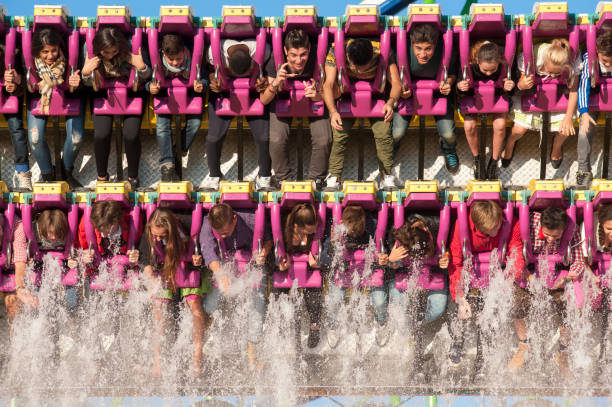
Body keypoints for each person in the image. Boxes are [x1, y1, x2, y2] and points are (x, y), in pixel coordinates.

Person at [507, 207, 585, 377]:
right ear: (541, 224)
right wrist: (525, 273)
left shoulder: (573, 231)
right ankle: (524, 345)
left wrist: (568, 278)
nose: (550, 240)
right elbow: (515, 250)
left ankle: (563, 352)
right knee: (517, 302)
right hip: (530, 274)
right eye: (547, 235)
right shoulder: (529, 223)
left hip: (558, 278)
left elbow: (579, 261)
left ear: (564, 229)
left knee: (568, 308)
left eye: (555, 237)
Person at [374, 213, 449, 378]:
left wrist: (445, 261)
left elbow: (453, 250)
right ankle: (409, 329)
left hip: (433, 271)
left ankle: (417, 323)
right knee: (398, 310)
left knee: (437, 308)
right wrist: (390, 261)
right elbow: (382, 270)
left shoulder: (437, 228)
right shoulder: (398, 236)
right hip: (403, 271)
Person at [199, 202, 272, 367]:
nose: (223, 236)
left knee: (258, 303)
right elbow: (208, 251)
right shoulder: (208, 223)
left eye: (226, 232)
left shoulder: (253, 219)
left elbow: (268, 240)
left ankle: (254, 345)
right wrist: (220, 273)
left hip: (251, 263)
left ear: (234, 220)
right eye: (220, 234)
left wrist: (264, 253)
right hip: (225, 263)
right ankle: (206, 331)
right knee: (210, 303)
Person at [322, 37, 400, 190]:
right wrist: (332, 112)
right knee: (339, 134)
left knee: (383, 134)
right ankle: (334, 177)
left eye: (363, 68)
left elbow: (396, 83)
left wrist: (391, 103)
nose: (358, 72)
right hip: (346, 96)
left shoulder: (382, 52)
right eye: (355, 67)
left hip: (377, 96)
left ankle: (387, 176)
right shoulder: (335, 51)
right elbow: (328, 85)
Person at [141, 208, 209, 378]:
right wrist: (150, 279)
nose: (156, 238)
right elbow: (145, 260)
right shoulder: (150, 232)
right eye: (155, 235)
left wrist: (198, 259)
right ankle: (157, 360)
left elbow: (204, 251)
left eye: (161, 236)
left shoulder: (185, 227)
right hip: (165, 271)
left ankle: (197, 356)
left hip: (187, 269)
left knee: (195, 307)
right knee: (158, 309)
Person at [81, 26, 152, 190]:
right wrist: (86, 73)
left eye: (115, 51)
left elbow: (148, 77)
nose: (111, 55)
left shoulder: (132, 48)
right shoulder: (89, 51)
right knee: (101, 134)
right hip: (103, 94)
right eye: (106, 52)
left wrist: (141, 67)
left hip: (132, 93)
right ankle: (102, 177)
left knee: (131, 134)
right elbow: (85, 83)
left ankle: (133, 177)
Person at [261, 28, 332, 188]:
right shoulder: (274, 62)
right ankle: (283, 179)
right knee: (277, 139)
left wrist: (317, 95)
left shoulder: (318, 59)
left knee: (323, 139)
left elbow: (332, 93)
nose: (298, 61)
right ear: (285, 51)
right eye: (293, 55)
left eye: (303, 55)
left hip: (313, 99)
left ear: (309, 51)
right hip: (283, 99)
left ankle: (316, 180)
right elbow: (264, 100)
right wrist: (275, 83)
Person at [502, 38, 581, 172]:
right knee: (519, 130)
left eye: (556, 73)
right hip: (532, 92)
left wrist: (568, 117)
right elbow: (519, 83)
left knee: (565, 130)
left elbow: (574, 91)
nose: (551, 75)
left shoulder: (572, 63)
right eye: (549, 71)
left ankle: (556, 145)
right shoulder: (533, 57)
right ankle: (510, 143)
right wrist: (522, 85)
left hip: (559, 94)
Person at [203, 35, 271, 190]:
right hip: (224, 90)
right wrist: (212, 79)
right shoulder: (213, 53)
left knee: (263, 137)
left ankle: (265, 176)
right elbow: (205, 70)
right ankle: (214, 176)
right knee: (213, 138)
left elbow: (269, 71)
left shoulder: (263, 50)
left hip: (252, 90)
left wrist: (264, 80)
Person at [447, 200, 506, 380]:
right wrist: (459, 295)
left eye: (498, 224)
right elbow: (456, 263)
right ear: (481, 229)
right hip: (469, 270)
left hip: (494, 272)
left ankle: (481, 361)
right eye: (494, 228)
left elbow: (515, 250)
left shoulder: (505, 223)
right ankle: (457, 343)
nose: (499, 228)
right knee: (460, 309)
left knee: (488, 315)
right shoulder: (462, 229)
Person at [393, 23, 460, 174]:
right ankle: (391, 149)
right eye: (419, 49)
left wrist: (448, 83)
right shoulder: (401, 51)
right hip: (408, 94)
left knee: (448, 134)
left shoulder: (447, 51)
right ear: (412, 44)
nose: (423, 54)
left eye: (428, 49)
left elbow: (453, 73)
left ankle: (449, 150)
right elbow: (393, 74)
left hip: (438, 94)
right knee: (396, 133)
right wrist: (401, 88)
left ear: (435, 45)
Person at [27, 28, 85, 188]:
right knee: (35, 138)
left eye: (54, 50)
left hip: (70, 98)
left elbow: (85, 85)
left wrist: (76, 84)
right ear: (38, 51)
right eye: (45, 52)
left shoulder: (71, 60)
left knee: (76, 138)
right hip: (40, 99)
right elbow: (25, 88)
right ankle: (47, 175)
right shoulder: (30, 64)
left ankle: (65, 173)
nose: (50, 56)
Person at [147, 34, 206, 182]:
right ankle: (167, 164)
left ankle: (176, 151)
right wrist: (150, 87)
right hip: (165, 94)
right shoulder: (156, 62)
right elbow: (148, 81)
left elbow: (204, 77)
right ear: (163, 54)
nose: (175, 63)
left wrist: (202, 85)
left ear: (185, 52)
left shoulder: (194, 56)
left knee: (195, 123)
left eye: (179, 59)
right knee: (162, 126)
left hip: (190, 93)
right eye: (171, 60)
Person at [4, 209, 79, 324]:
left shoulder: (69, 231)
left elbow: (79, 251)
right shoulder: (33, 230)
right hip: (40, 267)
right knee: (39, 305)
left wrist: (75, 260)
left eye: (56, 234)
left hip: (64, 266)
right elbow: (23, 261)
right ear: (42, 228)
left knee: (71, 303)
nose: (53, 237)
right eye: (50, 233)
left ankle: (71, 324)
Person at [323, 205, 382, 346]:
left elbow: (382, 248)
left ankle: (381, 323)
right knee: (335, 300)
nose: (354, 236)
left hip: (367, 266)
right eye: (352, 233)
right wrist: (333, 244)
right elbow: (326, 259)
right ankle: (332, 326)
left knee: (379, 301)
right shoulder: (338, 229)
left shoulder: (371, 228)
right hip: (345, 268)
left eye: (357, 233)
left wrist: (382, 258)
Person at [456, 41, 515, 179]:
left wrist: (509, 87)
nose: (489, 73)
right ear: (477, 61)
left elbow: (512, 90)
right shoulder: (468, 67)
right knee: (469, 125)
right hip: (473, 98)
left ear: (499, 62)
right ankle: (477, 158)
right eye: (485, 70)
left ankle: (494, 161)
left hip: (496, 99)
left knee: (500, 124)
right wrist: (460, 87)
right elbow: (458, 91)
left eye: (492, 70)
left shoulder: (504, 67)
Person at [277, 203, 323, 348]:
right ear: (298, 226)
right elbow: (271, 256)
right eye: (310, 230)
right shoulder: (285, 230)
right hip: (288, 271)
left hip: (309, 270)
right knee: (286, 298)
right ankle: (289, 331)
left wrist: (318, 262)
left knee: (314, 297)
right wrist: (279, 263)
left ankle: (315, 326)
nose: (314, 232)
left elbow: (327, 255)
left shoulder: (315, 234)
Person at [575, 31, 612, 186]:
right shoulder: (588, 59)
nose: (608, 64)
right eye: (605, 61)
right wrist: (583, 113)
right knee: (585, 130)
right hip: (593, 97)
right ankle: (583, 170)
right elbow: (583, 86)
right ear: (597, 52)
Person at [76, 200, 140, 272]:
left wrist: (137, 256)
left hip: (123, 260)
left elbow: (141, 248)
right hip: (99, 262)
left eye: (109, 229)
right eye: (102, 230)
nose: (106, 233)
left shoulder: (133, 223)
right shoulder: (86, 227)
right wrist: (84, 257)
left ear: (117, 220)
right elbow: (79, 250)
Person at [1, 41, 31, 190]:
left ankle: (23, 173)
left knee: (17, 130)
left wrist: (16, 84)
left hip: (9, 96)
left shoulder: (12, 47)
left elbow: (26, 82)